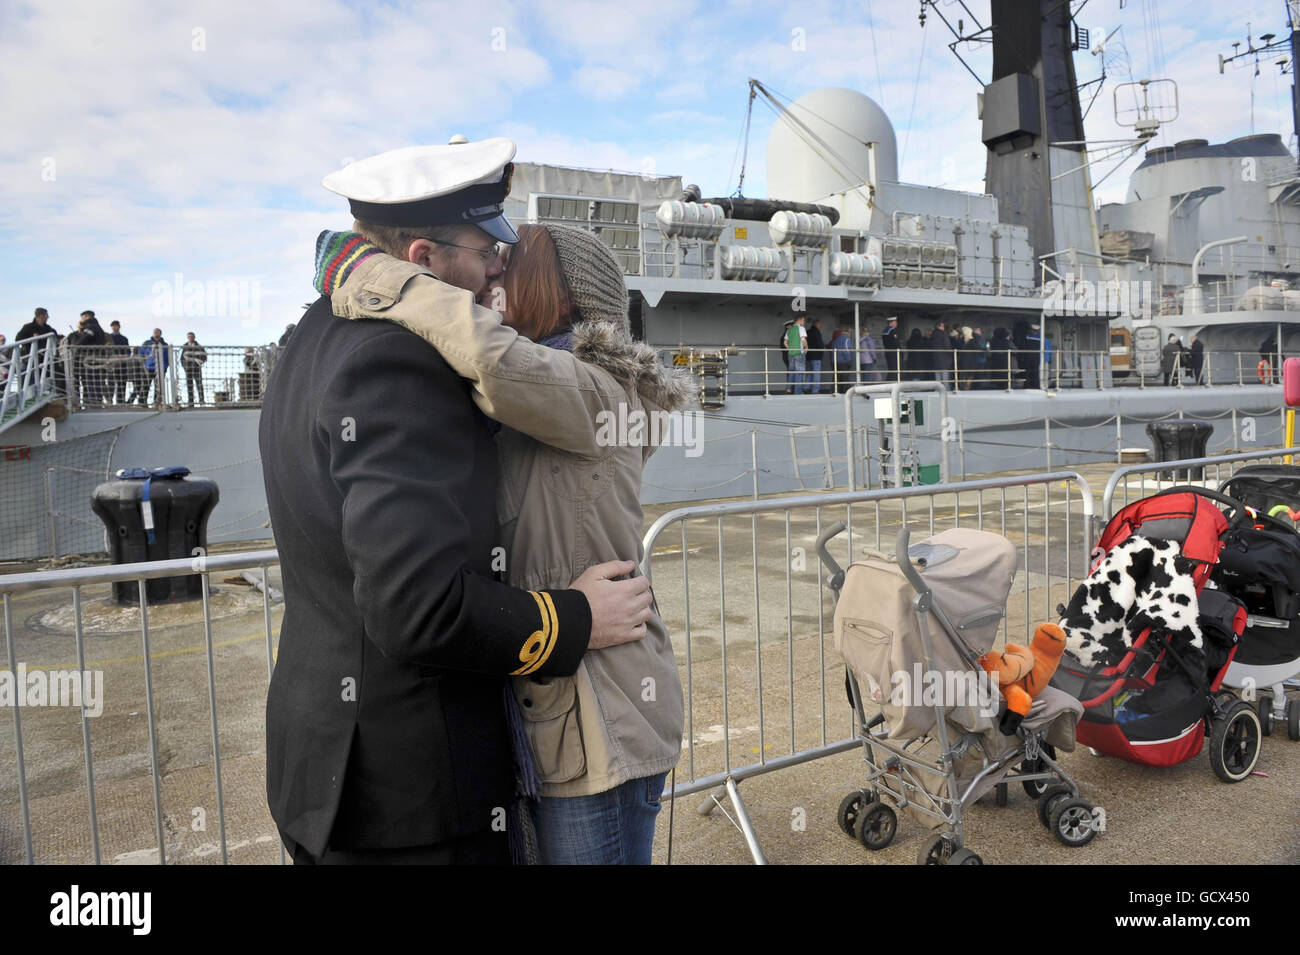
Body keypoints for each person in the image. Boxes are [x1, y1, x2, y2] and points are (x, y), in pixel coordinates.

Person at [259, 137, 653, 866]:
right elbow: (418, 607)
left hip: (326, 766)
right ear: (423, 260)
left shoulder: (309, 339)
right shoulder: (399, 364)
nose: (498, 264)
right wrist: (575, 617)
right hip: (412, 795)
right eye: (484, 249)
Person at [332, 222, 690, 864]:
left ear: (553, 290)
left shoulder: (592, 391)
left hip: (600, 715)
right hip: (554, 705)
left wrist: (376, 275)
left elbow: (494, 359)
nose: (492, 271)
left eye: (506, 261)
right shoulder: (538, 399)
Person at [140, 328, 169, 406]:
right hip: (148, 368)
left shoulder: (165, 345)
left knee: (158, 387)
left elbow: (168, 357)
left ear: (160, 333)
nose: (156, 333)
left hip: (161, 368)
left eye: (157, 332)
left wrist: (165, 367)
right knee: (146, 385)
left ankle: (157, 402)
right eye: (154, 332)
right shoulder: (146, 343)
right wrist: (144, 364)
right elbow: (141, 353)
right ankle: (142, 403)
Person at [107, 320, 131, 404]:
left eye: (116, 326)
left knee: (121, 383)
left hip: (122, 364)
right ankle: (109, 401)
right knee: (110, 384)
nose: (114, 327)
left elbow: (128, 352)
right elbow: (105, 350)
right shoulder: (108, 337)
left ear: (119, 327)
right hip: (111, 364)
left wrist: (121, 356)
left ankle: (120, 402)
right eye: (113, 326)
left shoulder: (124, 339)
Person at [181, 332, 207, 406]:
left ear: (194, 337)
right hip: (188, 369)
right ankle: (191, 402)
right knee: (189, 385)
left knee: (199, 384)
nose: (190, 338)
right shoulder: (184, 347)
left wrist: (199, 363)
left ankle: (201, 401)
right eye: (189, 336)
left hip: (197, 369)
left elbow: (204, 357)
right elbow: (182, 359)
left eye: (192, 336)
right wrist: (185, 367)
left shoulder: (199, 347)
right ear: (187, 338)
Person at [786, 315, 808, 394]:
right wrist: (806, 348)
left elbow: (785, 342)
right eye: (803, 320)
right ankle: (797, 391)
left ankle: (789, 388)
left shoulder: (789, 329)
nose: (804, 322)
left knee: (791, 371)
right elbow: (803, 339)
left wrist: (790, 348)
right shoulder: (801, 328)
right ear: (800, 320)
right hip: (799, 353)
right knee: (799, 372)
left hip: (790, 354)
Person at [806, 317, 826, 393]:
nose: (821, 326)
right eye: (820, 325)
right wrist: (823, 347)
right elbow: (819, 343)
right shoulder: (816, 332)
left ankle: (806, 387)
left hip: (808, 356)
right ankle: (815, 390)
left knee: (809, 373)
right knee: (816, 373)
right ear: (817, 324)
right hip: (816, 356)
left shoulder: (808, 332)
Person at [929, 321, 950, 385]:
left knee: (937, 377)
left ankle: (937, 390)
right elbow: (947, 345)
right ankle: (946, 390)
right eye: (942, 326)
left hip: (935, 358)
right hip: (944, 358)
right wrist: (951, 354)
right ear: (939, 326)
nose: (944, 327)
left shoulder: (932, 335)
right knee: (945, 377)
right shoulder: (943, 334)